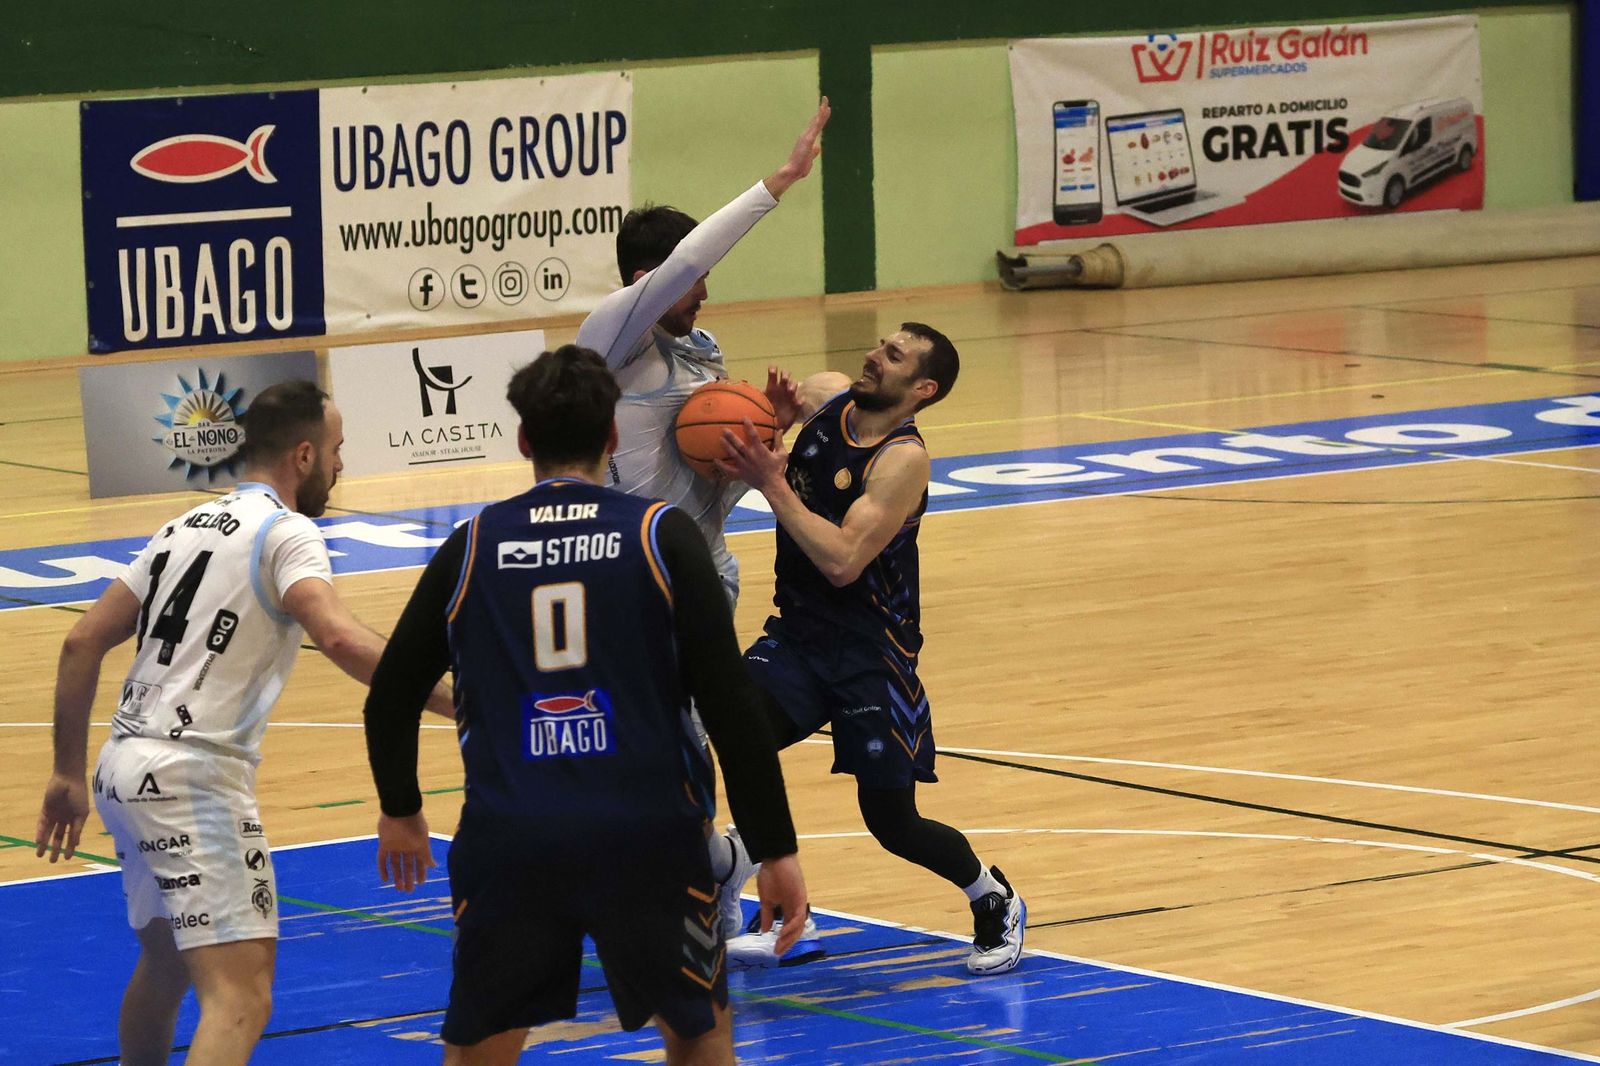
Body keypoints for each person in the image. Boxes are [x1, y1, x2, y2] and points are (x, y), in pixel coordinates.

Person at [363, 345, 809, 1066]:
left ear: (523, 441)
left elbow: (390, 697)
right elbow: (730, 709)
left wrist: (402, 806)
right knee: (698, 1039)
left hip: (513, 834)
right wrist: (777, 849)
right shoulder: (663, 536)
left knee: (480, 1050)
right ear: (610, 437)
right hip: (650, 834)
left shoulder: (470, 546)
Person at [33, 380, 453, 1066]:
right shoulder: (288, 533)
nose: (342, 467)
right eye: (339, 451)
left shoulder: (179, 529)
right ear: (307, 455)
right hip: (191, 775)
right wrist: (453, 699)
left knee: (168, 964)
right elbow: (342, 639)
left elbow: (81, 641)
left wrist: (64, 772)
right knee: (241, 998)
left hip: (122, 766)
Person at [573, 97, 828, 951]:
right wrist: (780, 181)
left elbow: (717, 492)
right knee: (643, 735)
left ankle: (706, 887)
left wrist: (771, 434)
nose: (706, 289)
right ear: (653, 282)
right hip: (625, 566)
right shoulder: (611, 338)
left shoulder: (704, 353)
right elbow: (689, 256)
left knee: (681, 732)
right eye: (692, 282)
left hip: (702, 565)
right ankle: (717, 870)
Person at [717, 324, 1028, 976]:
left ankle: (991, 896)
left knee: (892, 823)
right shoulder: (828, 398)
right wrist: (770, 422)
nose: (872, 355)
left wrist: (772, 482)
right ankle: (741, 871)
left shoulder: (902, 461)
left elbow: (842, 562)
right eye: (880, 345)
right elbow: (765, 420)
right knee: (736, 732)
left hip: (872, 656)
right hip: (797, 640)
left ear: (921, 388)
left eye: (892, 355)